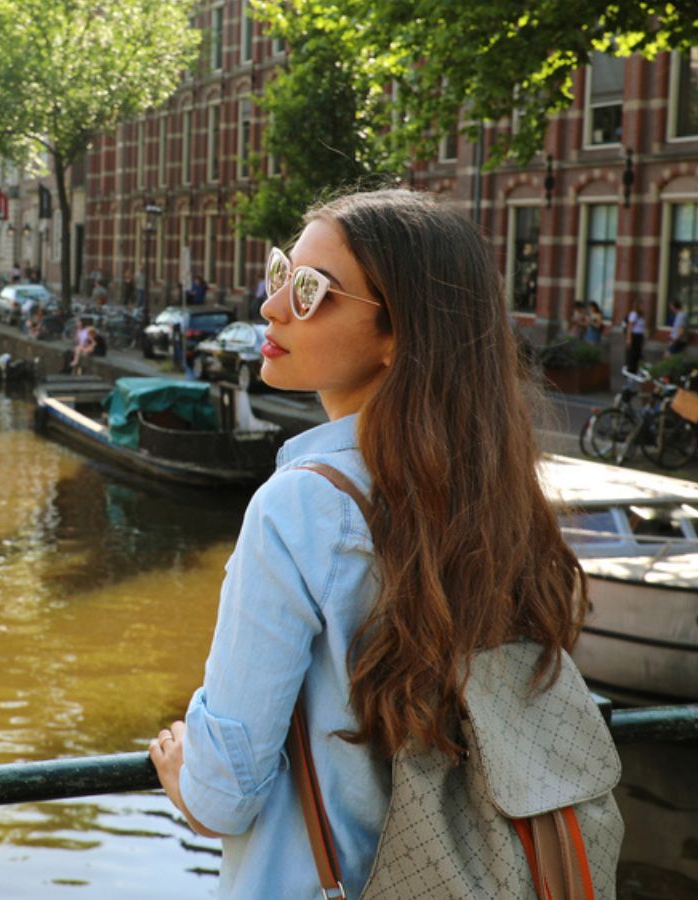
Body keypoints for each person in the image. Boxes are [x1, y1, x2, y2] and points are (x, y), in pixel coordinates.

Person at [148, 190, 590, 896]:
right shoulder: (498, 492)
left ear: (398, 336)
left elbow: (221, 793)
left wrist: (184, 765)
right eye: (280, 274)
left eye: (311, 290)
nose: (271, 308)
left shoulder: (297, 507)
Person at [624, 301, 648, 374]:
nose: (643, 307)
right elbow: (630, 326)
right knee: (633, 352)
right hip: (634, 335)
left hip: (639, 335)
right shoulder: (634, 314)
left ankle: (635, 368)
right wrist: (629, 338)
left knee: (638, 352)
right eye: (641, 306)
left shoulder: (641, 315)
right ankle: (630, 368)